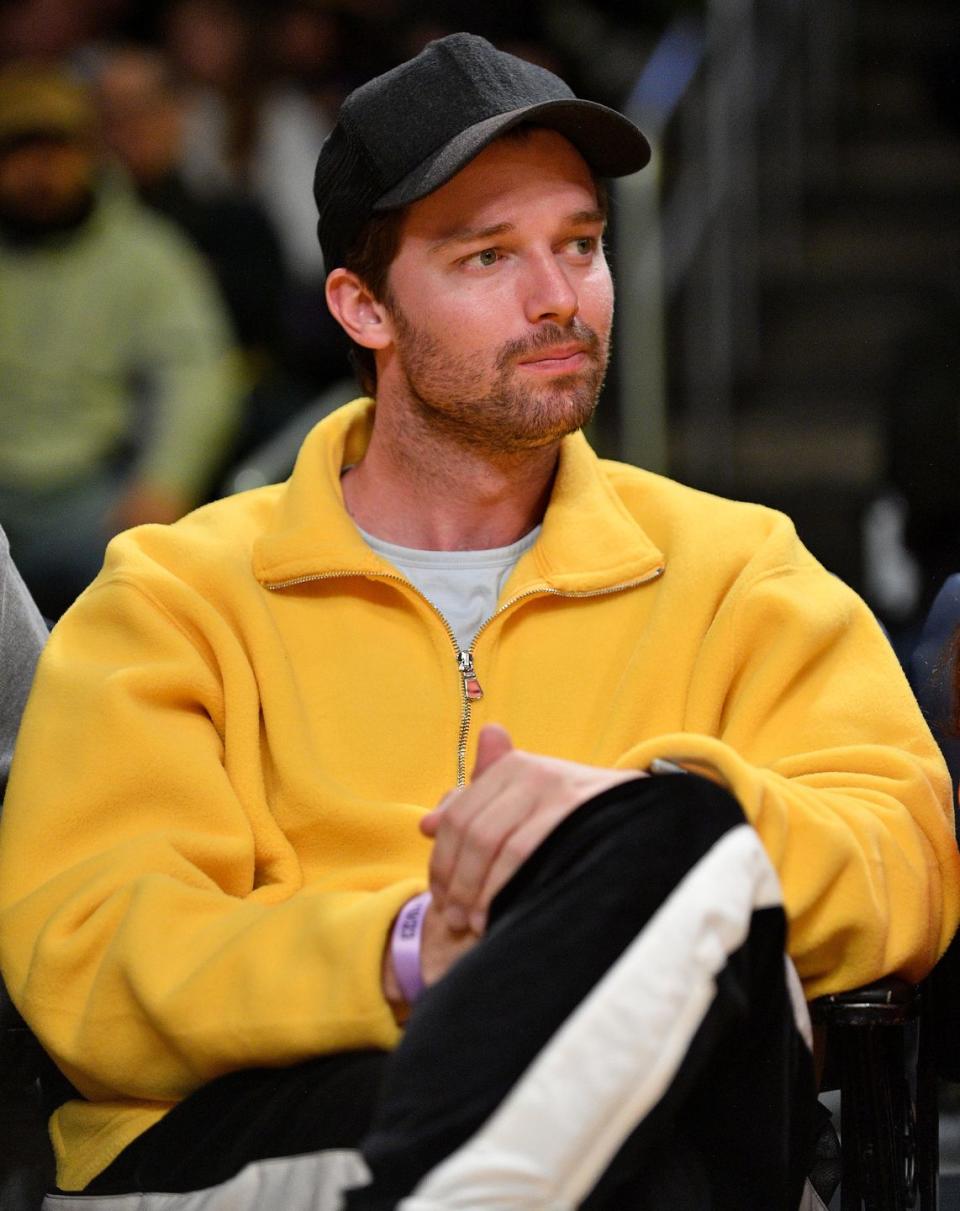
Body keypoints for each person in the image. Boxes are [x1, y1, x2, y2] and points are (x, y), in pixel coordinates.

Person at [0, 33, 958, 1211]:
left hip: (660, 1109)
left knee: (675, 847)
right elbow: (89, 954)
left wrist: (630, 828)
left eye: (583, 246)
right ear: (363, 307)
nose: (559, 296)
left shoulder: (737, 567)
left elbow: (905, 866)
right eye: (488, 255)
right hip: (266, 1127)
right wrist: (412, 953)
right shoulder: (174, 596)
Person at [0, 62, 241, 618]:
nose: (39, 169)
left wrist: (163, 483)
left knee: (167, 585)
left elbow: (198, 375)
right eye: (18, 150)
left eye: (57, 148)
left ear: (90, 154)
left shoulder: (146, 253)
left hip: (90, 497)